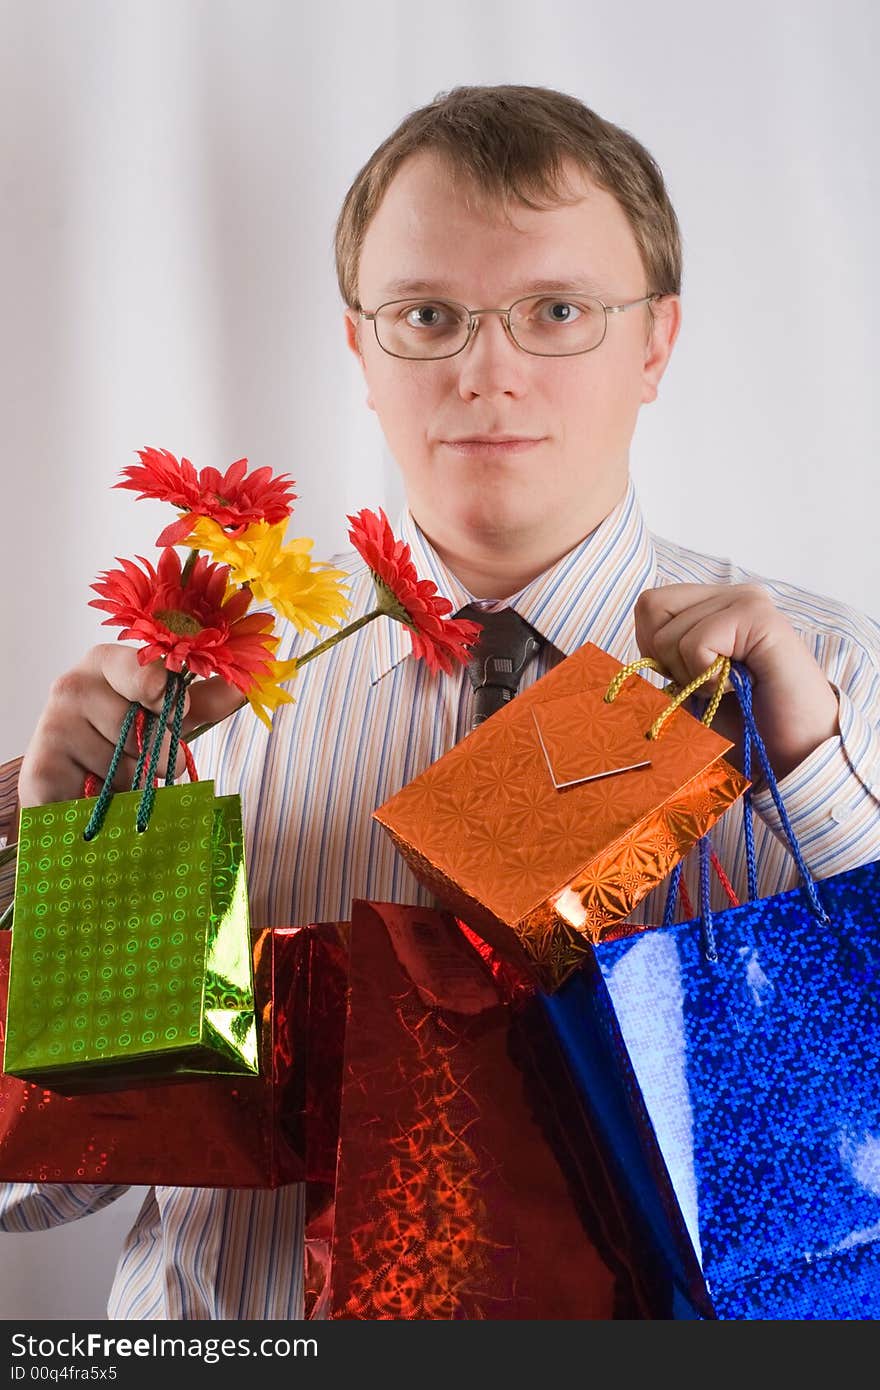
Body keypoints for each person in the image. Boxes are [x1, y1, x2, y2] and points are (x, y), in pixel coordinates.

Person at [1, 84, 878, 1320]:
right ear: (361, 349)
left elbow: (851, 1159)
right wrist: (72, 874)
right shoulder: (192, 704)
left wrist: (811, 789)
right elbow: (42, 1196)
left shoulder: (833, 677)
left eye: (556, 311)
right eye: (427, 316)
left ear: (656, 344)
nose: (487, 372)